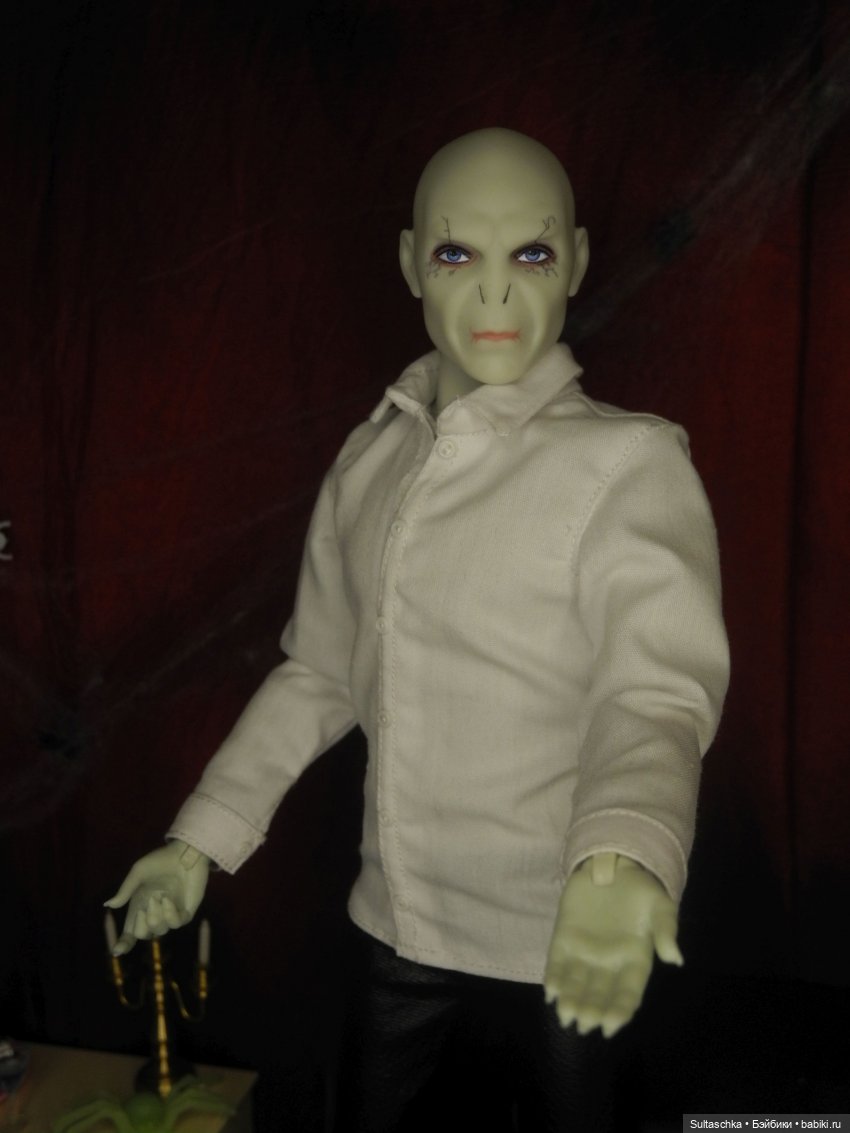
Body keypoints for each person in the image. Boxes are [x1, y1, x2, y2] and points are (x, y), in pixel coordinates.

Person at [107, 127, 729, 1130]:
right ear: (410, 264)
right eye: (456, 254)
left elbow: (655, 691)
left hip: (565, 925)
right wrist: (198, 841)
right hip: (399, 920)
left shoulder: (626, 462)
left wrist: (623, 853)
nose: (496, 293)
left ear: (574, 259)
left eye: (531, 254)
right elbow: (318, 671)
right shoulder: (371, 462)